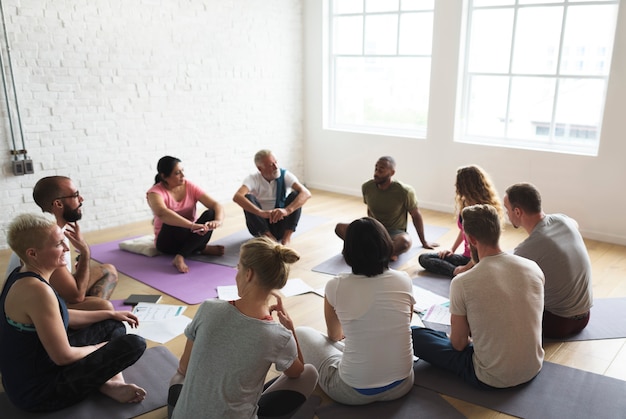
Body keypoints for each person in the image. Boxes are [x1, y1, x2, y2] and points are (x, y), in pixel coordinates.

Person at [0, 213, 147, 412]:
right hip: (39, 392)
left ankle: (111, 384)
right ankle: (109, 383)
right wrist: (100, 347)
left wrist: (110, 314)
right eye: (59, 244)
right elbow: (63, 356)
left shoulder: (20, 275)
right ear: (33, 253)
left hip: (37, 370)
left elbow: (62, 316)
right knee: (134, 344)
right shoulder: (37, 291)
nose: (67, 248)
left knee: (114, 325)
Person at [168, 236, 318, 419]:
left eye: (238, 268)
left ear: (249, 274)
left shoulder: (208, 307)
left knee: (177, 378)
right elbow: (298, 372)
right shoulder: (278, 336)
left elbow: (184, 367)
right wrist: (290, 329)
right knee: (310, 372)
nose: (236, 274)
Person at [412, 204, 545, 389]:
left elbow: (459, 345)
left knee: (414, 335)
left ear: (472, 239)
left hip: (491, 377)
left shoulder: (462, 282)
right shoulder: (533, 267)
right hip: (533, 366)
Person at [296, 217, 415, 405]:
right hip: (403, 383)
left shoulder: (336, 285)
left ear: (348, 251)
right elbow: (406, 322)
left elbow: (334, 336)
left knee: (301, 333)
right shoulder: (403, 279)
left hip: (353, 392)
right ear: (386, 245)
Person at [5, 175, 118, 311]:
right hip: (35, 310)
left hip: (51, 294)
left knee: (109, 271)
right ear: (58, 204)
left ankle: (91, 320)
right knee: (103, 307)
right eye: (75, 195)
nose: (81, 199)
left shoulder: (51, 229)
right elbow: (76, 296)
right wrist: (85, 252)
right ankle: (83, 323)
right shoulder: (46, 240)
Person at [504, 183, 593, 339]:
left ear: (517, 212)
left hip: (556, 324)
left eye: (507, 209)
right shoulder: (563, 220)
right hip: (585, 317)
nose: (506, 214)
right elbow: (575, 224)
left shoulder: (526, 249)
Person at [335, 156, 438, 260]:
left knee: (405, 242)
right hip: (374, 230)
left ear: (392, 173)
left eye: (381, 170)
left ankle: (369, 251)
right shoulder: (367, 187)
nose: (376, 173)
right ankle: (383, 253)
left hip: (394, 233)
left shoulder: (404, 191)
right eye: (376, 169)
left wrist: (424, 242)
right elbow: (370, 211)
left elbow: (415, 215)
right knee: (340, 227)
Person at [418, 165, 504, 277]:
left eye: (457, 184)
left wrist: (466, 267)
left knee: (436, 262)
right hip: (466, 257)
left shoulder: (485, 211)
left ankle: (461, 273)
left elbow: (483, 247)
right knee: (424, 258)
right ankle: (459, 272)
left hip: (480, 259)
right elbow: (464, 230)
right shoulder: (466, 203)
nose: (455, 186)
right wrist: (452, 249)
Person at [147, 155, 225, 273]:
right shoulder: (154, 193)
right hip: (167, 242)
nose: (183, 176)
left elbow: (215, 205)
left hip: (190, 234)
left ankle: (183, 254)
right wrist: (192, 226)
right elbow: (163, 213)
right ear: (164, 176)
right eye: (177, 173)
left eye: (182, 171)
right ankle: (198, 248)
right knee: (171, 219)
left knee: (211, 214)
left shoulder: (189, 186)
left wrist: (217, 220)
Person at [233, 149, 311, 246]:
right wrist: (261, 213)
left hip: (282, 221)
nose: (276, 167)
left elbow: (306, 193)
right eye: (271, 165)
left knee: (296, 195)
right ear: (260, 168)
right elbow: (237, 197)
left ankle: (286, 239)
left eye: (276, 162)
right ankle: (269, 237)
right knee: (247, 197)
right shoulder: (253, 179)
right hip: (260, 225)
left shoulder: (285, 175)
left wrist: (287, 210)